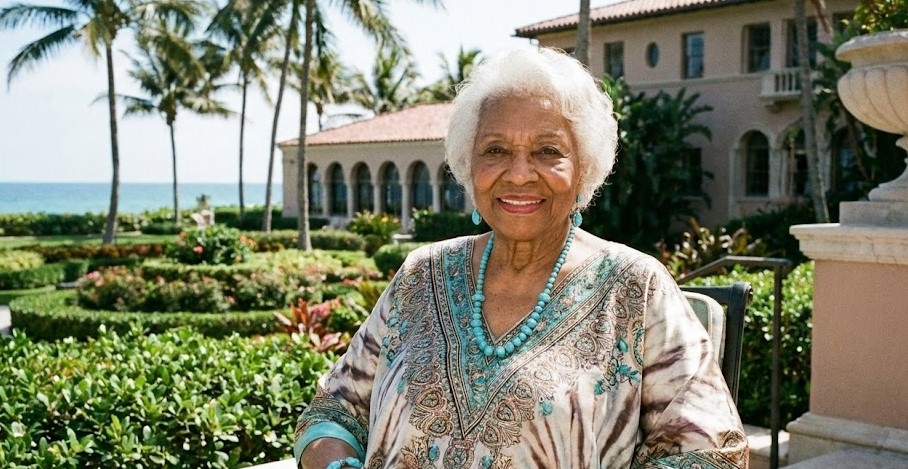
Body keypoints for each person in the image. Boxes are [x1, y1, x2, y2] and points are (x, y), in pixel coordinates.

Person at [294, 46, 748, 469]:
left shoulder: (637, 288)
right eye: (496, 150)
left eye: (547, 151)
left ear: (584, 168)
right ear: (470, 166)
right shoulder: (420, 274)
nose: (519, 174)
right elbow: (335, 409)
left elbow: (710, 455)